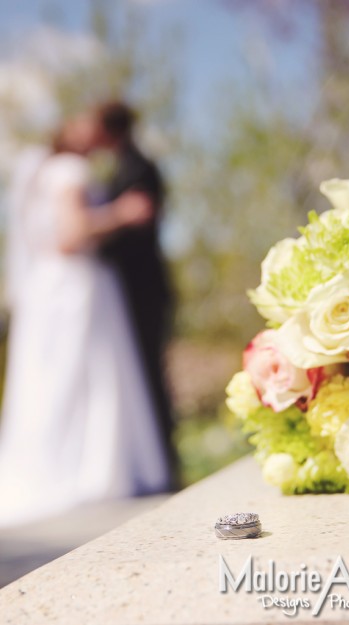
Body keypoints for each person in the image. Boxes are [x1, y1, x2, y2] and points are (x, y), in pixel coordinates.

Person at [0, 114, 172, 528]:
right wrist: (122, 213)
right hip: (76, 287)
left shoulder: (38, 171)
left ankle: (55, 465)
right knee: (83, 377)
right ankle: (91, 469)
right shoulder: (70, 170)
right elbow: (72, 233)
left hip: (48, 288)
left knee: (48, 380)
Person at [93, 102, 177, 486]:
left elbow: (139, 228)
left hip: (143, 290)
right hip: (123, 294)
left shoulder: (139, 168)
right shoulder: (123, 168)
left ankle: (164, 464)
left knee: (150, 373)